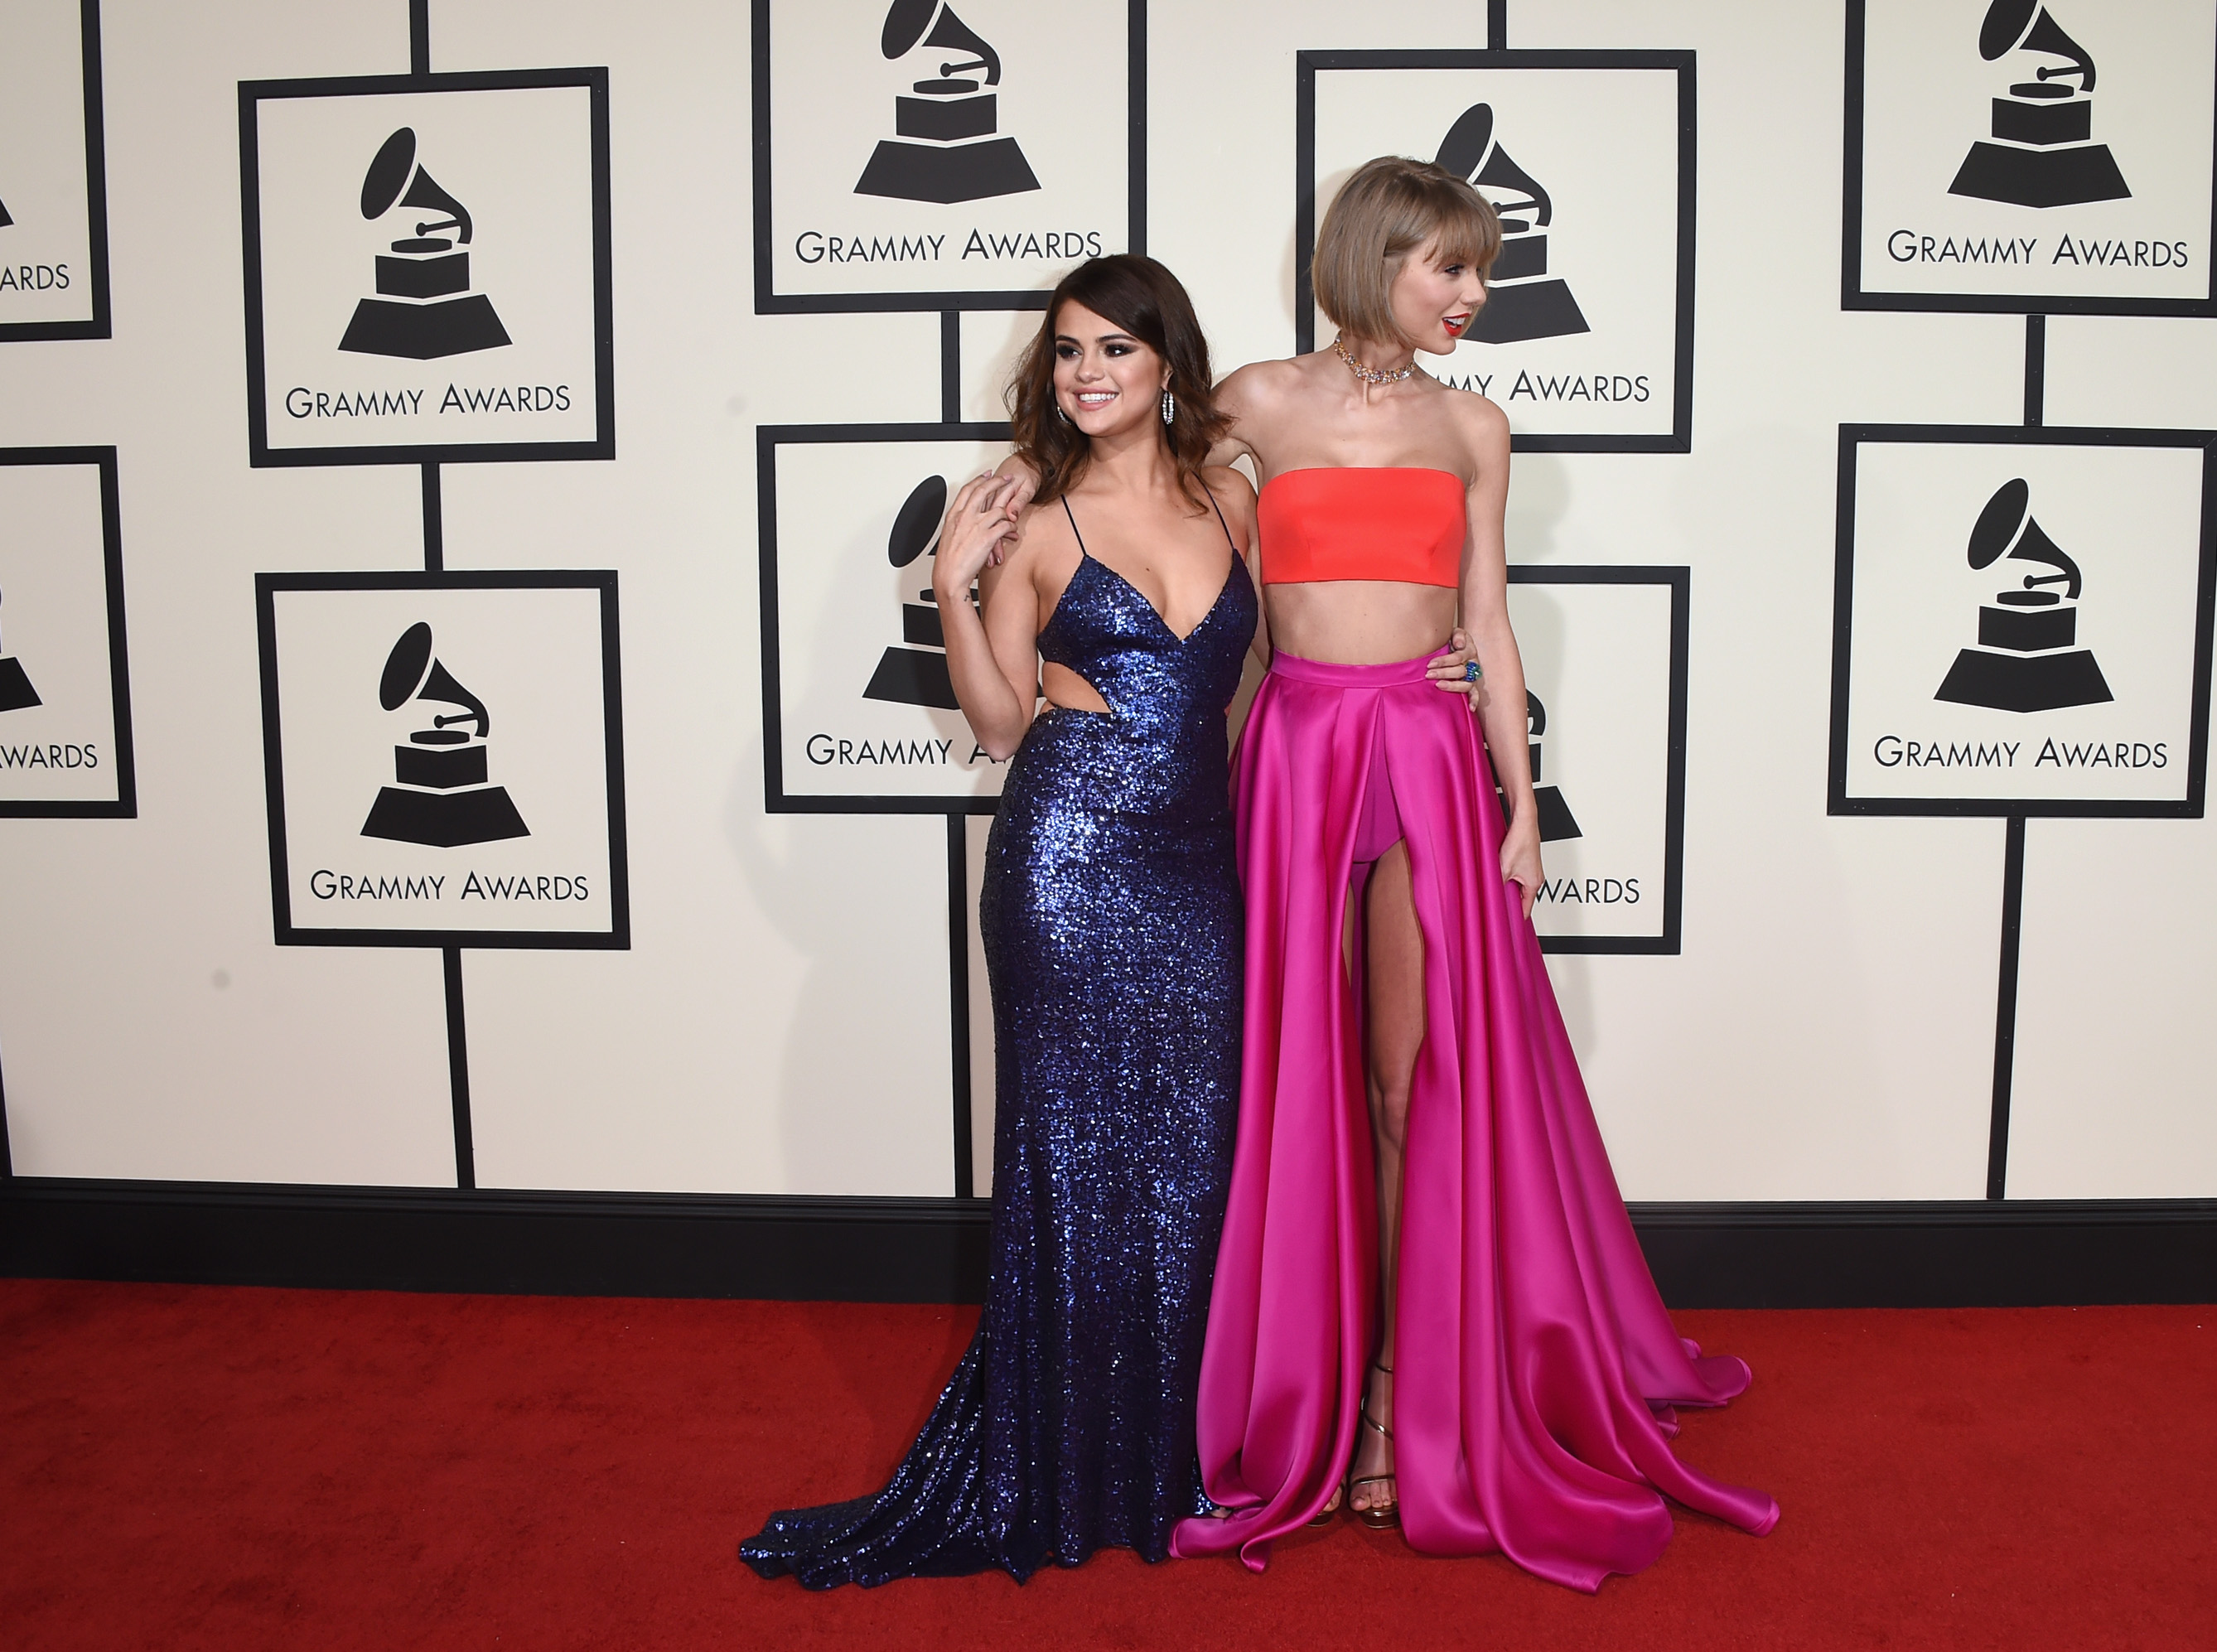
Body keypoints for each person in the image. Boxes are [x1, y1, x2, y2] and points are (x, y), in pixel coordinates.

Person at [739, 254, 1470, 1587]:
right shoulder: (1036, 524)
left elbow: (1295, 657)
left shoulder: (1233, 500)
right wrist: (959, 584)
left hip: (1206, 867)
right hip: (1068, 869)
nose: (1086, 374)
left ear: (1168, 368)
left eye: (1114, 353)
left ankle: (1180, 1450)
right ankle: (1061, 1461)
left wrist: (1444, 660)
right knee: (1073, 1173)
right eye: (1069, 353)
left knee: (1199, 1163)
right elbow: (1003, 722)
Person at [1169, 158, 1779, 1593]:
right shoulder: (1255, 400)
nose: (1475, 297)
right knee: (1288, 1074)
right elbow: (1153, 510)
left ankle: (1395, 1394)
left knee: (1404, 1079)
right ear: (1378, 257)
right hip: (1297, 753)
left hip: (1433, 758)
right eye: (1453, 268)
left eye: (1483, 273)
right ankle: (1282, 1383)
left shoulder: (1476, 425)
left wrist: (1520, 804)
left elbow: (1491, 623)